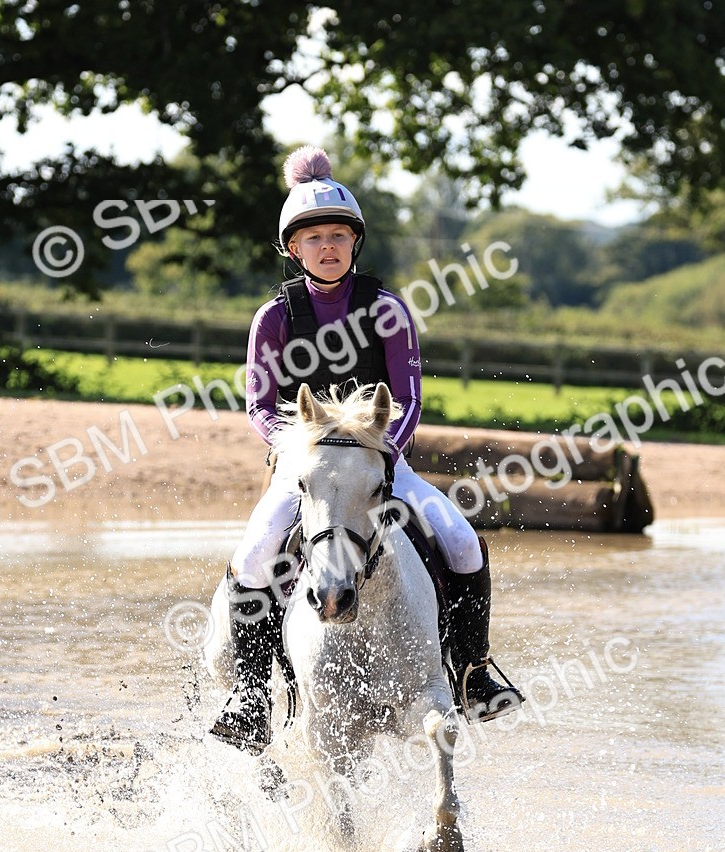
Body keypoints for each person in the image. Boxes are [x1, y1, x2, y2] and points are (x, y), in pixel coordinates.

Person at [209, 145, 523, 755]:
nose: (327, 246)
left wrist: (381, 455)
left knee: (459, 540)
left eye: (338, 235)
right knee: (252, 559)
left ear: (355, 242)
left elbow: (407, 400)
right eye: (314, 237)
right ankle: (250, 697)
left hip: (381, 465)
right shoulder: (273, 318)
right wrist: (299, 456)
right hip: (304, 472)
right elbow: (258, 405)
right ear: (293, 248)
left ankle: (473, 671)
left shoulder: (387, 310)